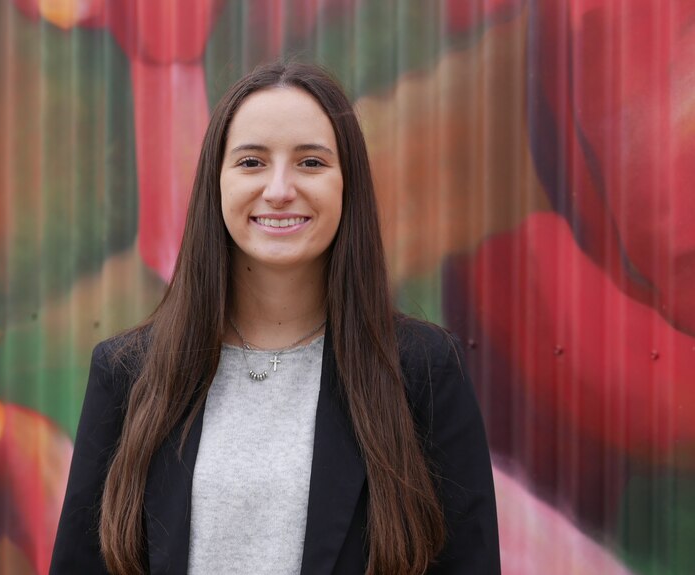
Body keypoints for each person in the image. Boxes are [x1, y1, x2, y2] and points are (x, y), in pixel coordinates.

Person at [49, 61, 500, 575]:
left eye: (311, 162)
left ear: (347, 184)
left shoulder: (422, 371)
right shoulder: (127, 374)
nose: (280, 189)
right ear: (215, 184)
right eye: (251, 162)